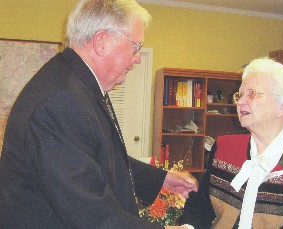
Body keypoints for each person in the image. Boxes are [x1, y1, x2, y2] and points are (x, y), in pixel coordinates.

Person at [0, 0, 198, 228]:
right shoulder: (61, 101)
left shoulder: (76, 84)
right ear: (101, 42)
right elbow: (90, 214)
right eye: (135, 47)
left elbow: (100, 154)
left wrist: (159, 178)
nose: (138, 58)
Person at [180, 57, 283, 229]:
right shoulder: (224, 146)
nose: (240, 101)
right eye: (240, 94)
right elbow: (200, 206)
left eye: (252, 93)